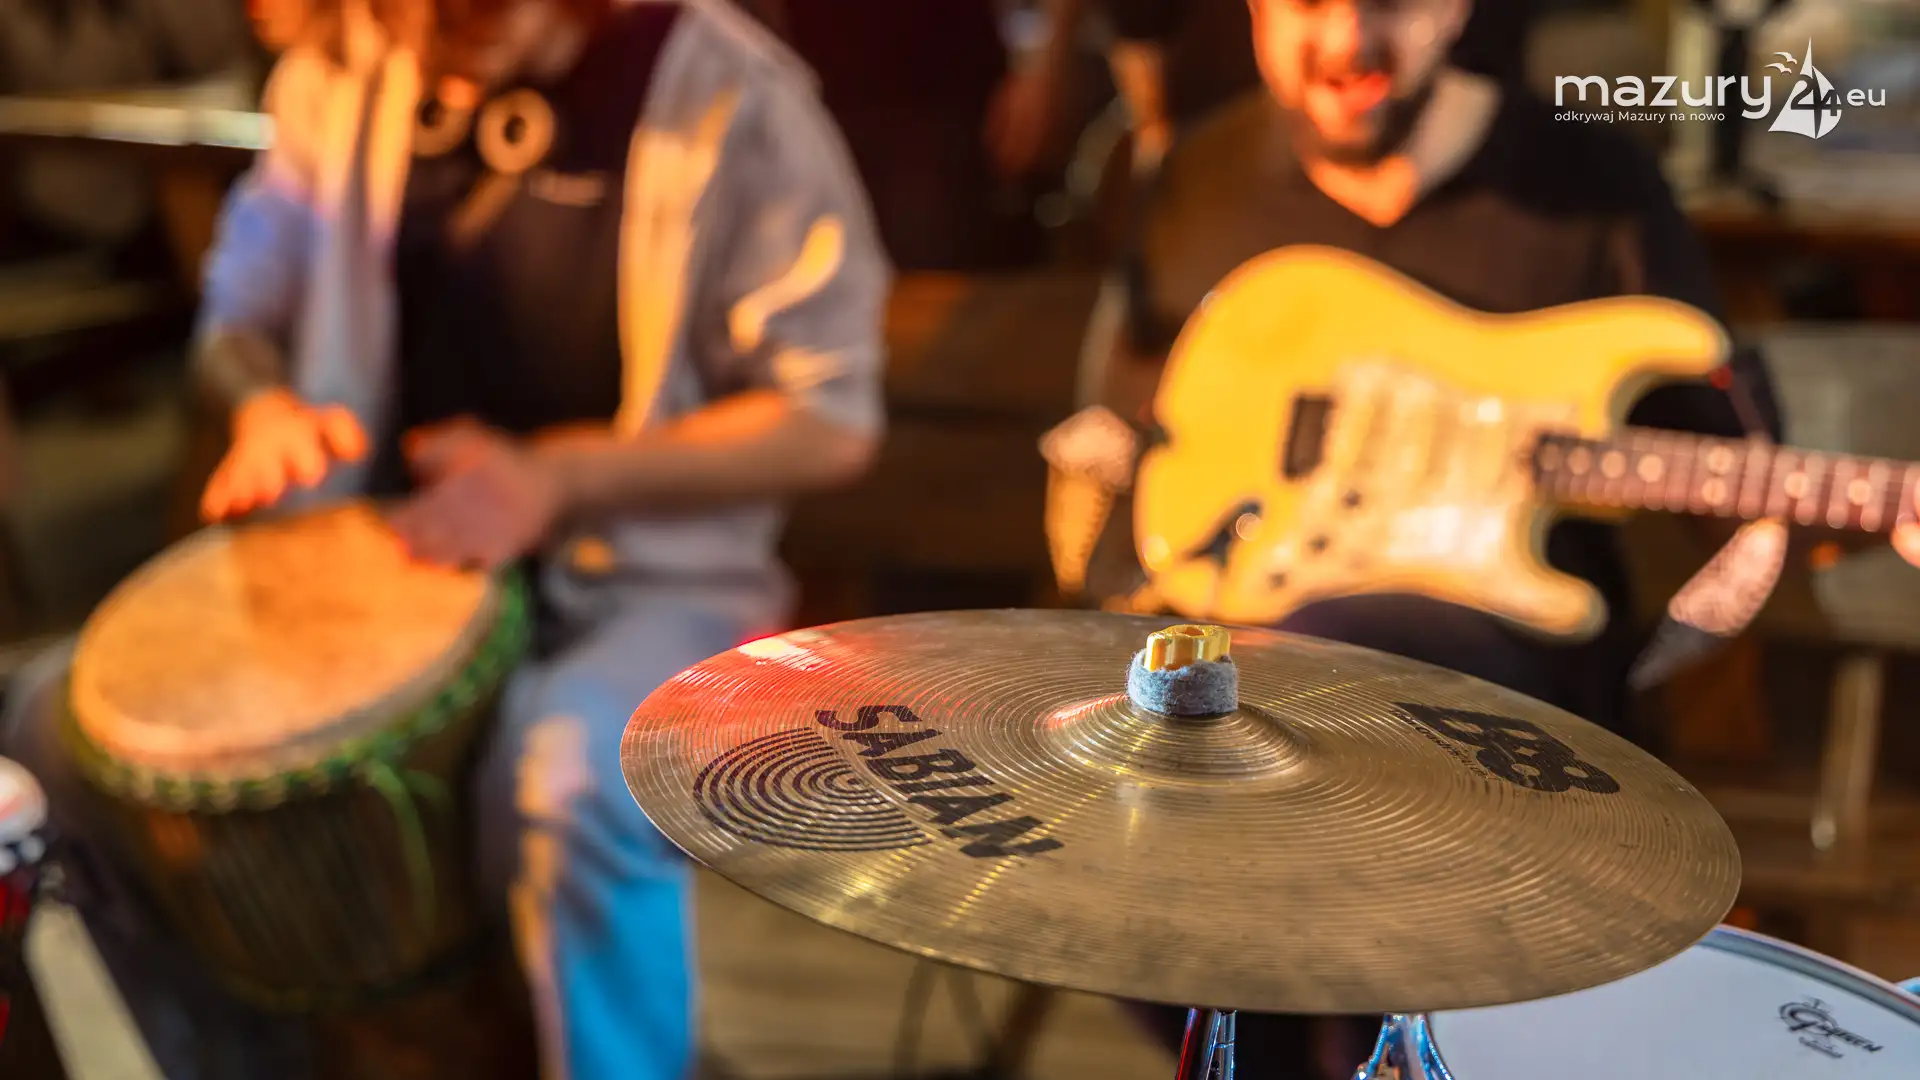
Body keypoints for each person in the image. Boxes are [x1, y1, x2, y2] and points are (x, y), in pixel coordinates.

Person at [1, 1, 888, 1079]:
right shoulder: (348, 64)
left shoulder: (731, 92)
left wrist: (557, 478)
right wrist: (263, 404)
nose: (436, 46)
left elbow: (829, 419)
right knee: (56, 731)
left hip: (640, 584)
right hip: (365, 561)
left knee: (568, 782)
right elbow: (235, 319)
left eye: (476, 18)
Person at [1050, 0, 1801, 1073]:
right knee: (1112, 820)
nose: (1347, 40)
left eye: (1390, 3)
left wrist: (1843, 513)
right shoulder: (1200, 173)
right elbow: (1135, 435)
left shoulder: (1593, 180)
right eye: (1308, 3)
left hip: (1519, 698)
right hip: (1246, 658)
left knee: (1314, 709)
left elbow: (1731, 480)